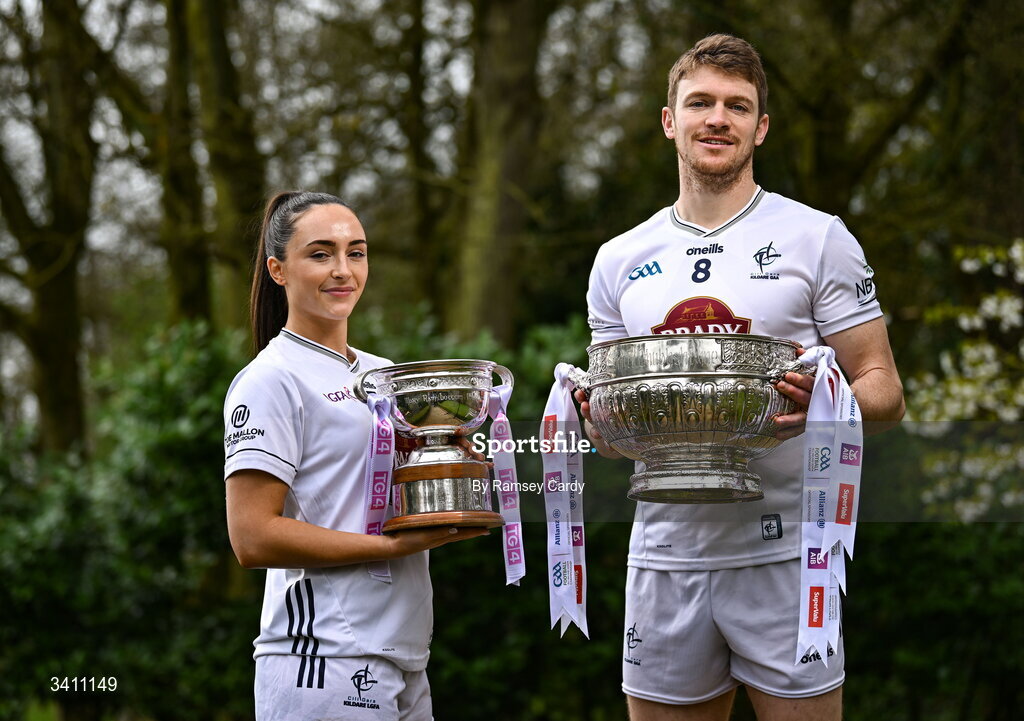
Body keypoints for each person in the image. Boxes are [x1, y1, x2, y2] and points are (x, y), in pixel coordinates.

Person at [577, 35, 905, 721]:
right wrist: (594, 418)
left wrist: (829, 401)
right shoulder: (617, 258)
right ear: (670, 120)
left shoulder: (817, 237)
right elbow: (613, 437)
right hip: (665, 553)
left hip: (786, 552)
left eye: (736, 105)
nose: (716, 118)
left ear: (760, 127)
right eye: (699, 102)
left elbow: (884, 387)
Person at [223, 190, 487, 721]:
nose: (342, 270)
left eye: (356, 252)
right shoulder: (270, 380)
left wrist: (451, 467)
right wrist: (388, 548)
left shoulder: (382, 373)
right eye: (320, 254)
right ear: (278, 270)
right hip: (321, 655)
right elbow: (251, 537)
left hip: (406, 652)